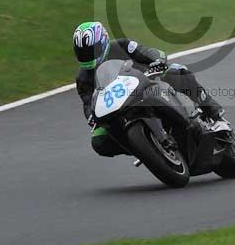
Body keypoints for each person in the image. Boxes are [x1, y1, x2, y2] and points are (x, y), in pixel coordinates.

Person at [72, 21, 225, 157]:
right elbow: (88, 103)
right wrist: (91, 118)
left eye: (92, 50)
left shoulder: (122, 45)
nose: (87, 55)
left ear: (103, 41)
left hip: (148, 84)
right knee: (99, 141)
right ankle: (142, 148)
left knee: (178, 72)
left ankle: (213, 112)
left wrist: (157, 60)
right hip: (120, 106)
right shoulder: (83, 78)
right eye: (83, 52)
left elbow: (145, 52)